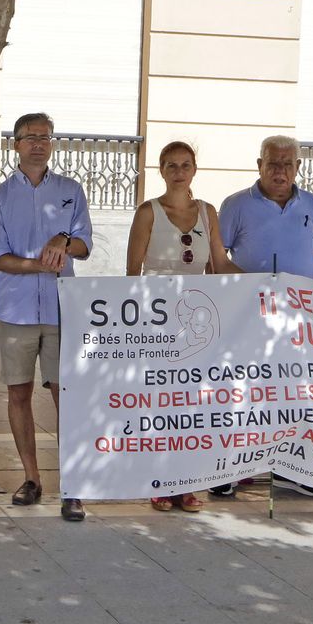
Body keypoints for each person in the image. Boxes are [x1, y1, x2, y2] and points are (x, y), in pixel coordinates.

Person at [0, 112, 93, 522]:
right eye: (30, 137)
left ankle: (74, 485)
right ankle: (31, 478)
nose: (39, 144)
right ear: (16, 145)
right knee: (19, 394)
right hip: (15, 310)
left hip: (63, 309)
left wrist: (64, 240)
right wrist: (40, 265)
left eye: (45, 137)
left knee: (67, 396)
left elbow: (85, 246)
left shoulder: (71, 190)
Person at [217, 134, 313, 498]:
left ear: (298, 167)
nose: (280, 171)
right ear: (259, 165)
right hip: (248, 314)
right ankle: (229, 468)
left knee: (295, 390)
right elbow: (215, 258)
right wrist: (252, 285)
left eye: (287, 164)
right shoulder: (235, 205)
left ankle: (291, 468)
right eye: (272, 163)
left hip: (299, 317)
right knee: (242, 388)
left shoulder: (312, 203)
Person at [125, 140, 233, 511]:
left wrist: (263, 279)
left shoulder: (208, 212)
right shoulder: (148, 212)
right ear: (161, 170)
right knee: (159, 403)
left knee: (191, 404)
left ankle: (186, 483)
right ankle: (159, 480)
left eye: (185, 164)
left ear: (194, 170)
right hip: (158, 319)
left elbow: (218, 264)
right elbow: (131, 274)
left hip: (198, 319)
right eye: (171, 165)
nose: (179, 171)